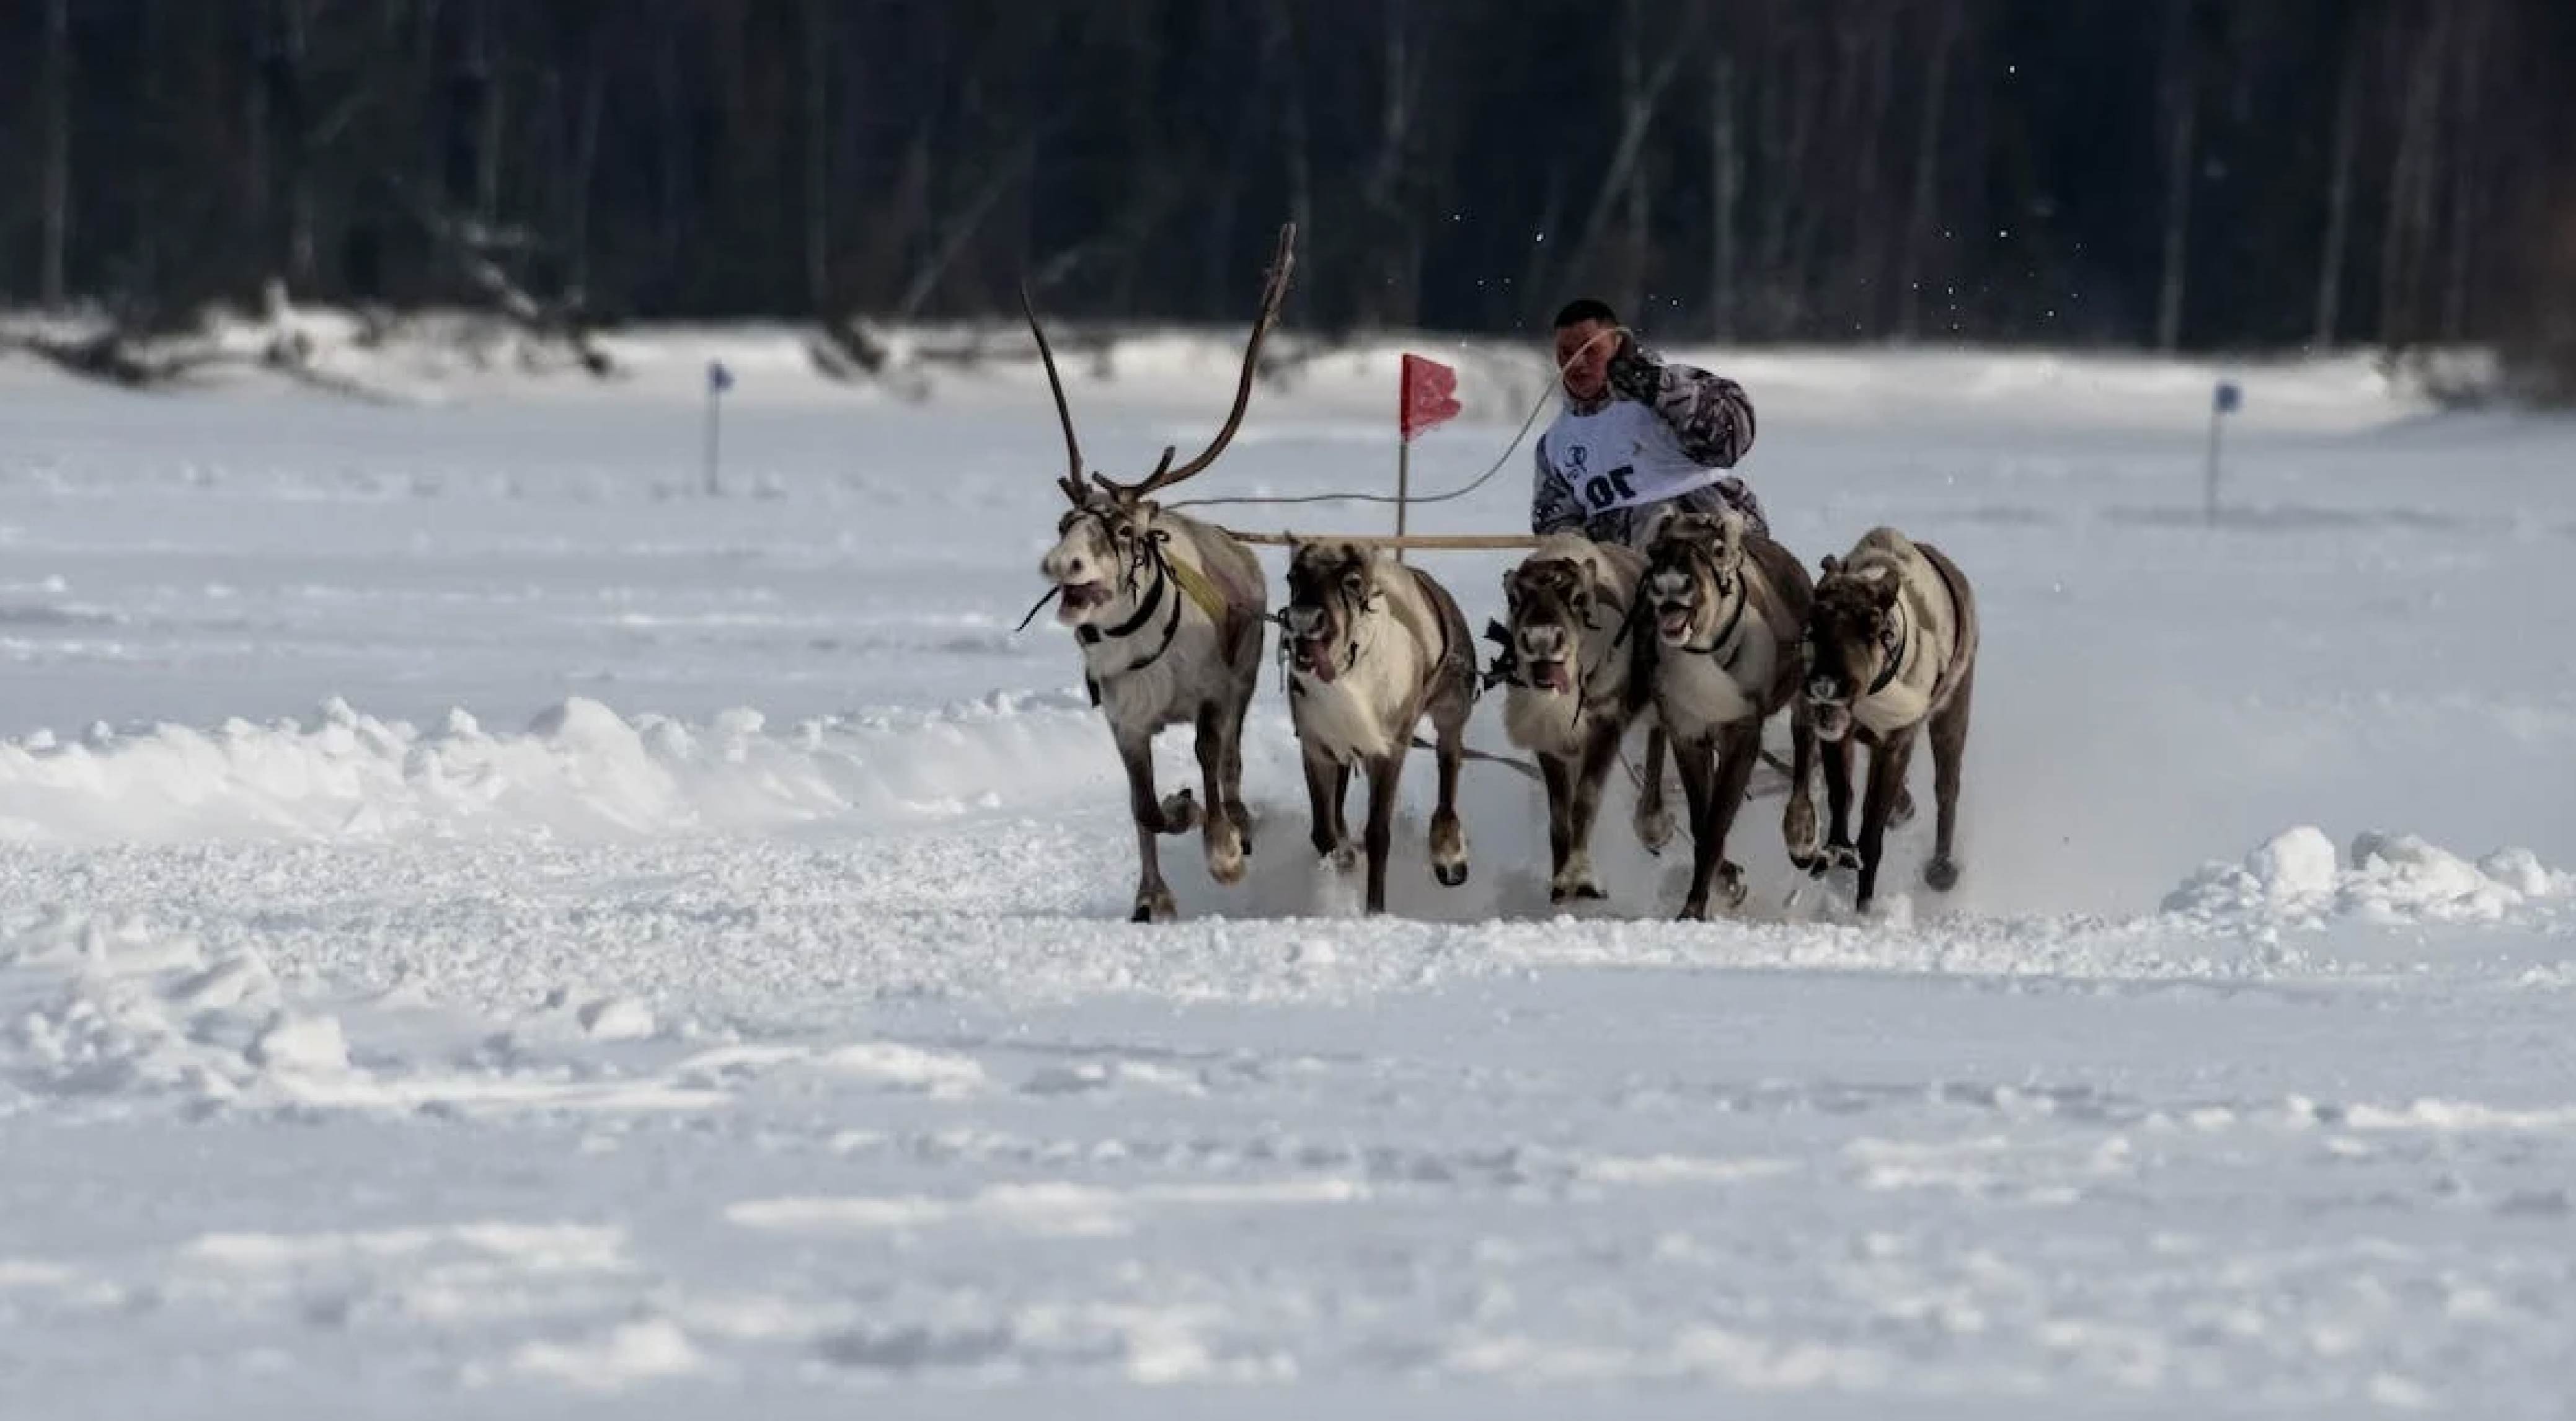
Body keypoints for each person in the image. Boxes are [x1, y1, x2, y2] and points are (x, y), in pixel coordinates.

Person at [1531, 298, 1763, 547]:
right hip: (1626, 568)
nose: (1577, 363)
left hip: (1710, 542)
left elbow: (1735, 435)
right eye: (1567, 353)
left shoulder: (1670, 387)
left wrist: (1658, 390)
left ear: (1617, 344)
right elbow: (1554, 523)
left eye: (1590, 350)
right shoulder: (1554, 446)